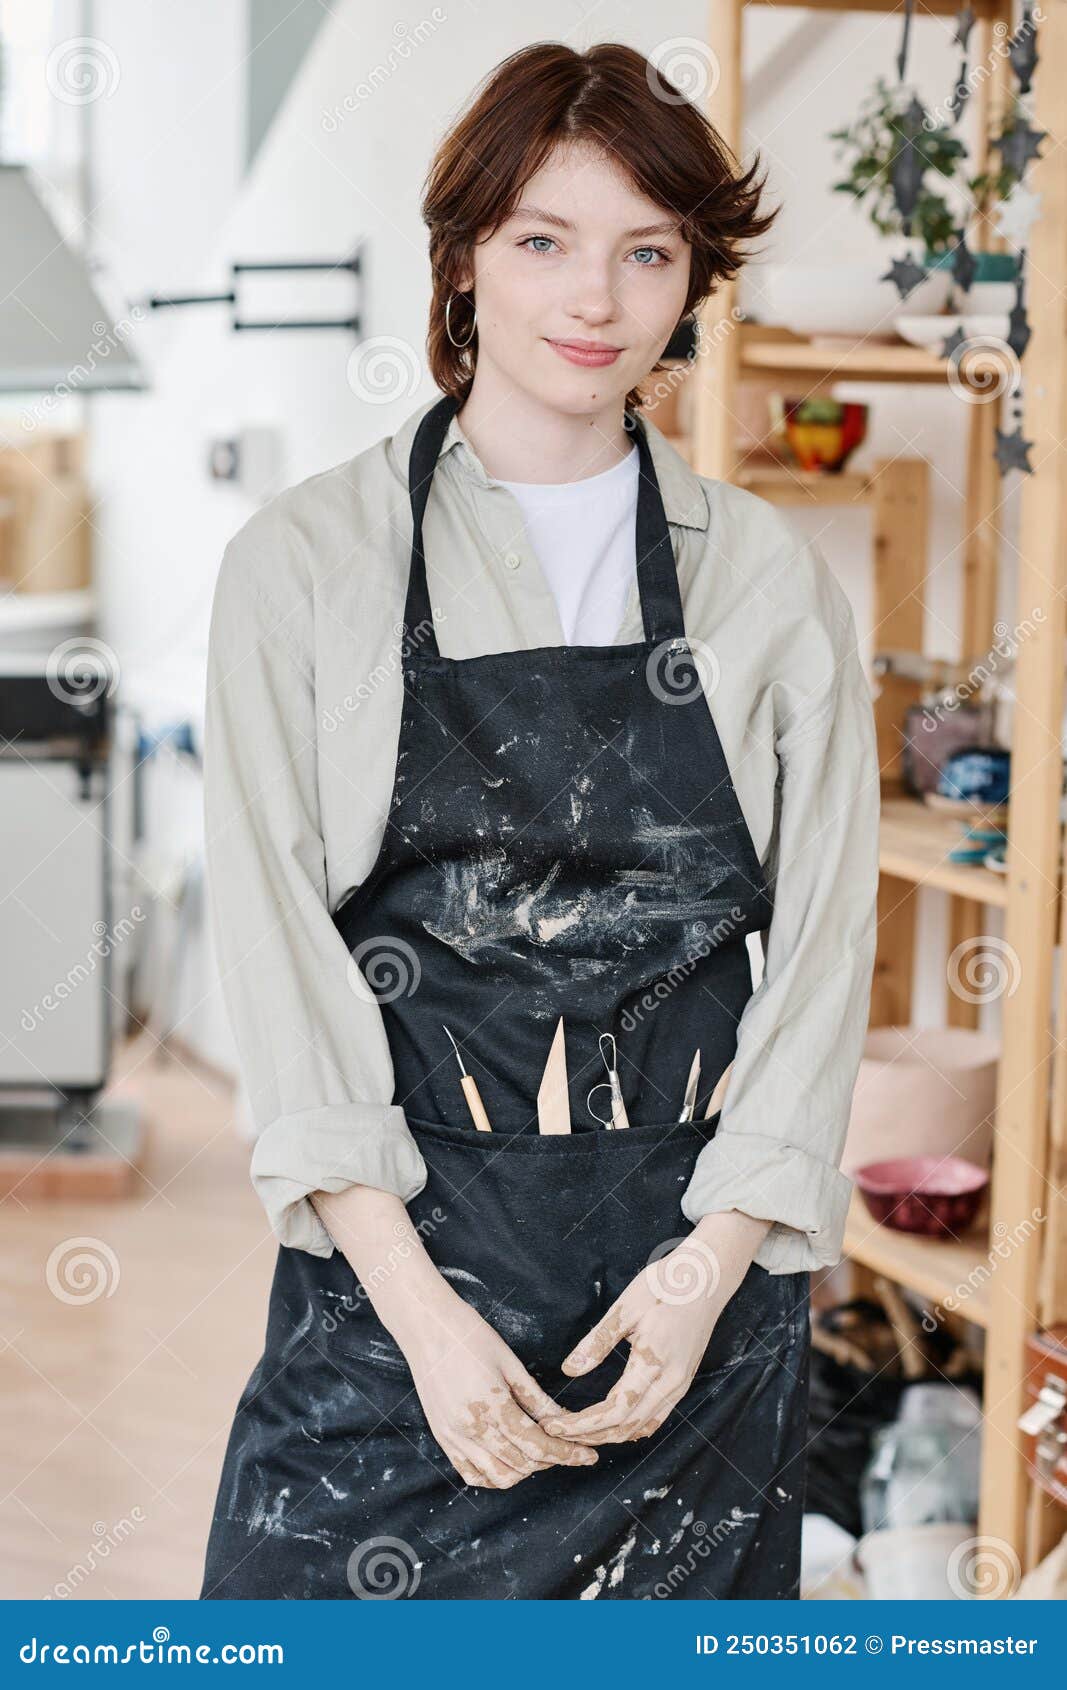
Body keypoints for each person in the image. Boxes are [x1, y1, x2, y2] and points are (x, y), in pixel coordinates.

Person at [199, 41, 879, 1600]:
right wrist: (422, 1316)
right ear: (462, 263)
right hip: (391, 1302)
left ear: (689, 280)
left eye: (647, 252)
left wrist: (709, 1274)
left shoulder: (770, 584)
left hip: (686, 1313)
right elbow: (282, 957)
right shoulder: (301, 568)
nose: (597, 300)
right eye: (543, 242)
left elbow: (828, 948)